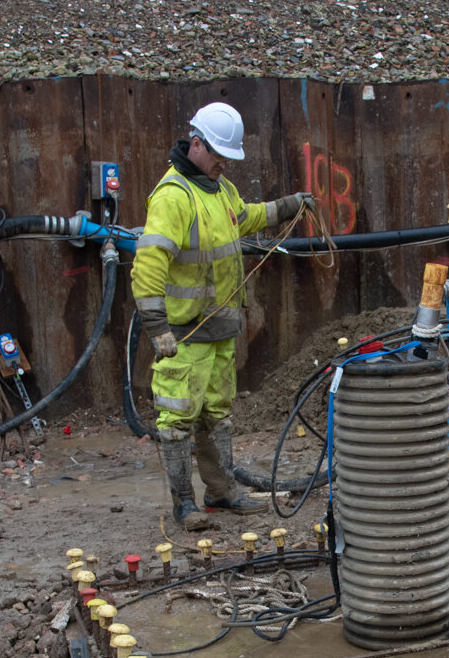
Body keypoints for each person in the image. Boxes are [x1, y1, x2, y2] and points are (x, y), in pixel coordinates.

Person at [132, 101, 314, 529]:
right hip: (183, 333)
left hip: (218, 330)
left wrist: (289, 205)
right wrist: (157, 328)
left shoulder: (220, 190)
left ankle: (221, 492)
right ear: (196, 144)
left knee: (217, 412)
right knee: (177, 418)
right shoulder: (174, 197)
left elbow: (245, 217)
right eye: (217, 156)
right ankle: (184, 503)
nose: (222, 165)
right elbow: (149, 265)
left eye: (227, 158)